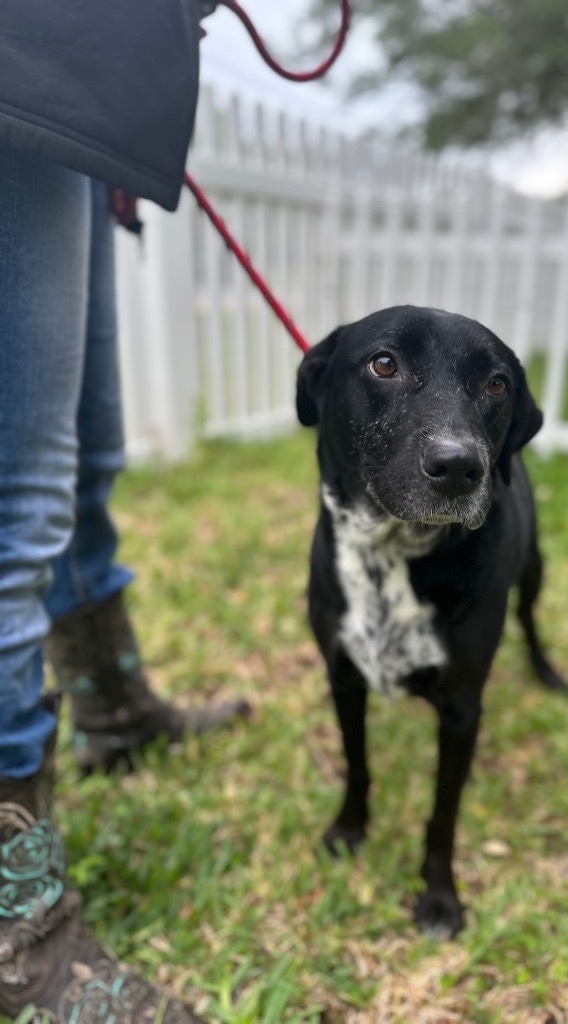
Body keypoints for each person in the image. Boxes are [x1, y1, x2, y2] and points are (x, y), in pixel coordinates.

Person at [0, 2, 251, 1020]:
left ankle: (112, 707)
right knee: (12, 501)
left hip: (77, 77)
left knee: (80, 458)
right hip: (21, 55)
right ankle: (21, 938)